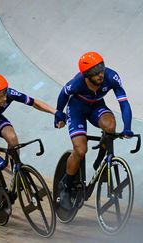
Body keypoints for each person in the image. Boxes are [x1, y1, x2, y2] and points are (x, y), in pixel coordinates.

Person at [0, 73, 58, 214]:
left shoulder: (8, 93)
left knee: (12, 138)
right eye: (0, 96)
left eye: (4, 93)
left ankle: (16, 169)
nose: (5, 98)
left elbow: (34, 102)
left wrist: (55, 112)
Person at [55, 51, 133, 210]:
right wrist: (59, 115)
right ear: (86, 75)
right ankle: (66, 186)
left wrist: (127, 127)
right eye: (95, 73)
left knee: (111, 126)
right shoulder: (77, 82)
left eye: (101, 69)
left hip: (96, 106)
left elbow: (124, 104)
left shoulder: (111, 77)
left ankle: (102, 159)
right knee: (81, 150)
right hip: (77, 109)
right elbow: (63, 94)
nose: (100, 75)